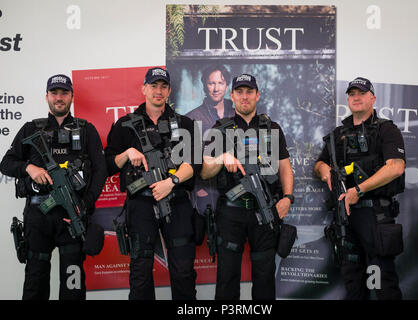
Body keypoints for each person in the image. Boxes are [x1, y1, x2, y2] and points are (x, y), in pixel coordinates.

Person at [0, 74, 107, 300]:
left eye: (64, 93)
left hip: (72, 217)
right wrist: (30, 168)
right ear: (47, 96)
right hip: (38, 215)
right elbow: (6, 164)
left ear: (71, 97)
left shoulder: (87, 130)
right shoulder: (30, 129)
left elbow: (100, 171)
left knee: (73, 284)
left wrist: (85, 204)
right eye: (54, 93)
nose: (59, 98)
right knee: (35, 282)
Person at [104, 67, 198, 300]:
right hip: (141, 205)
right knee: (141, 272)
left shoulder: (184, 123)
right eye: (153, 86)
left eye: (163, 86)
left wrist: (171, 182)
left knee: (184, 271)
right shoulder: (125, 124)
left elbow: (194, 162)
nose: (158, 91)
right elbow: (108, 164)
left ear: (169, 91)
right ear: (144, 88)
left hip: (176, 202)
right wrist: (127, 153)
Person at [200, 73, 294, 300]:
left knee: (264, 276)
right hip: (231, 213)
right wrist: (223, 157)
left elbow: (284, 167)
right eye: (239, 92)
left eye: (249, 92)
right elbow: (204, 170)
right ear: (231, 96)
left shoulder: (272, 127)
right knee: (227, 277)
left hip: (265, 212)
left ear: (257, 95)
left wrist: (288, 198)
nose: (244, 96)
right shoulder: (220, 128)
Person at [314, 77, 405, 300]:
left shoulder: (386, 129)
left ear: (372, 98)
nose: (356, 97)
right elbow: (319, 163)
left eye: (361, 93)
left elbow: (396, 167)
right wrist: (325, 172)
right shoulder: (338, 134)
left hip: (374, 216)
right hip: (346, 218)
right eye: (352, 93)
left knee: (382, 283)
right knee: (353, 283)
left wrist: (359, 190)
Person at [186, 65, 235, 215]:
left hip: (235, 188)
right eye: (211, 83)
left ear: (227, 86)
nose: (216, 88)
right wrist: (198, 189)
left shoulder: (237, 115)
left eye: (220, 83)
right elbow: (189, 161)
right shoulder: (191, 118)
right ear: (204, 85)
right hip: (206, 190)